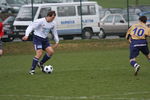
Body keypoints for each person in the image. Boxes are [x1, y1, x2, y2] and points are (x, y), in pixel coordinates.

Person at [22, 11, 59, 75]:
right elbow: (31, 27)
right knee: (39, 53)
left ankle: (40, 63)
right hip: (37, 38)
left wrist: (57, 41)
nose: (53, 19)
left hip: (45, 39)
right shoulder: (40, 21)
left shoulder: (53, 23)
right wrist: (26, 35)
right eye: (52, 17)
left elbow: (55, 32)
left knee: (51, 52)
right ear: (48, 16)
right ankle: (32, 70)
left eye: (54, 17)